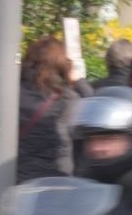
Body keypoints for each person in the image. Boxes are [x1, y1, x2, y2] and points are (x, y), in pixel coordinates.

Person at [16, 37, 82, 183]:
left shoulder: (13, 95)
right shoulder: (69, 100)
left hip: (19, 180)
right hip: (57, 181)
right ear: (61, 64)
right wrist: (79, 81)